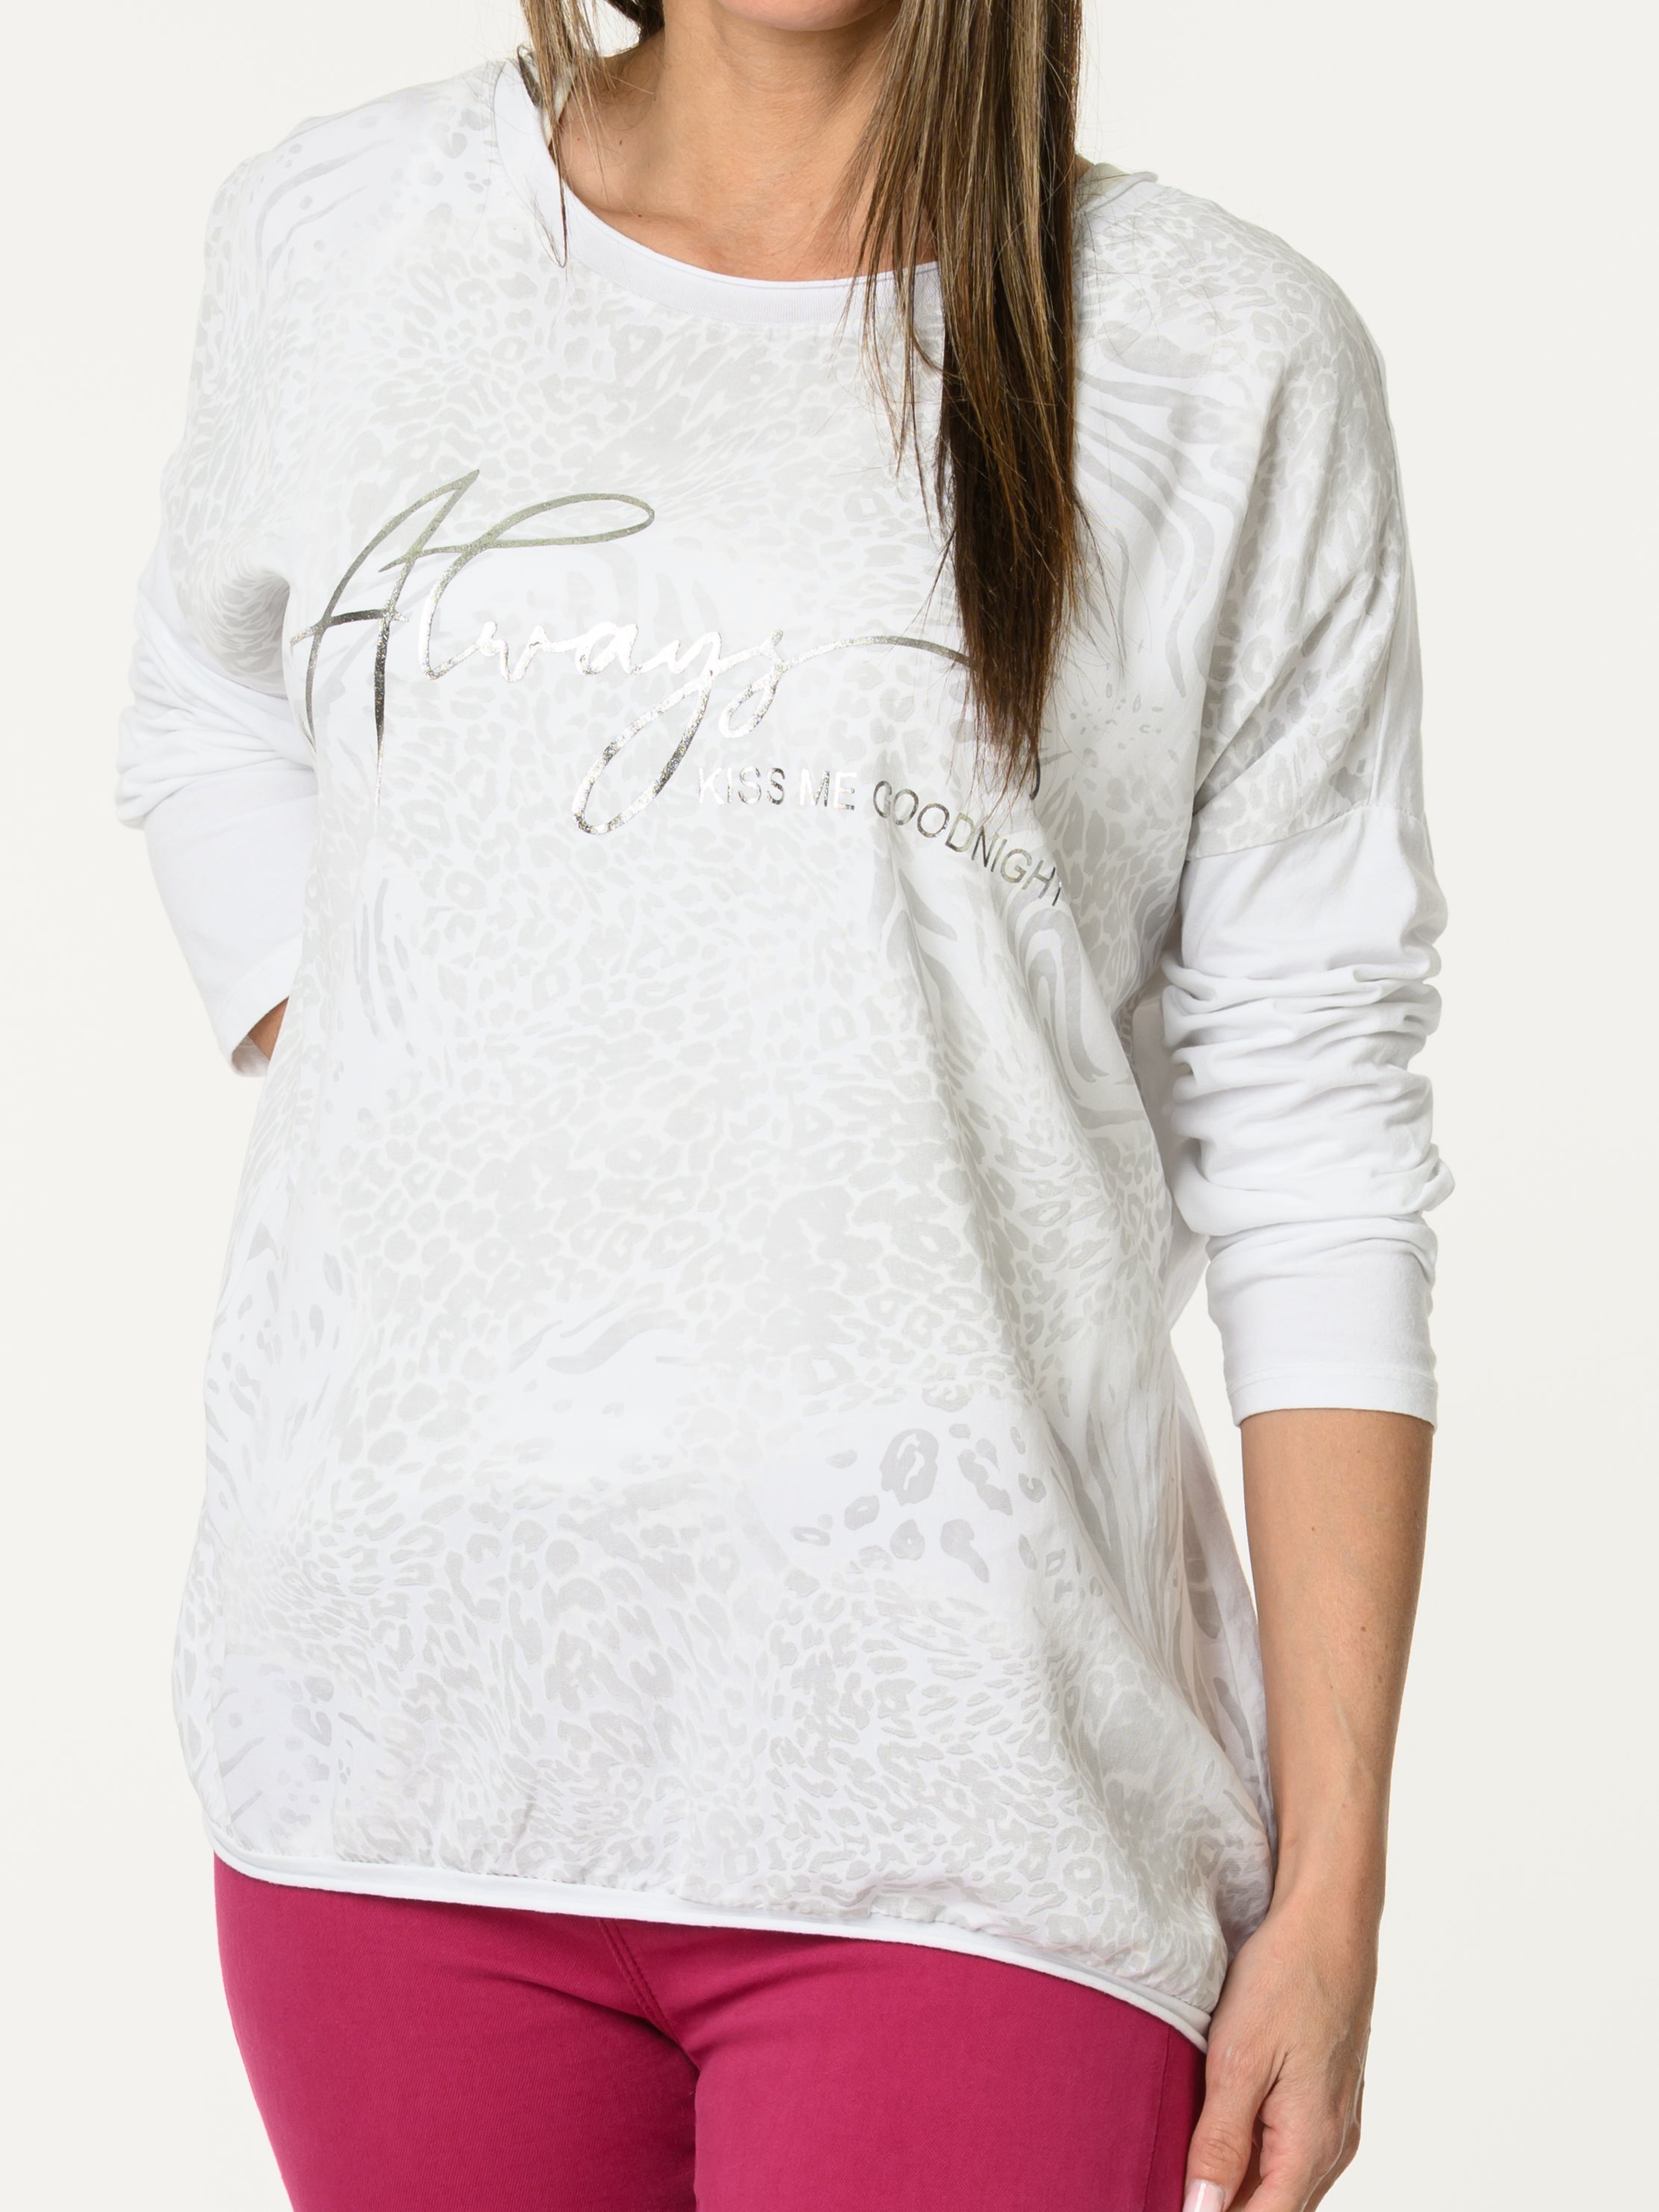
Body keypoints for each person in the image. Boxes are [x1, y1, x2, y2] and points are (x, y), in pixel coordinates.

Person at [116, 2, 1449, 2206]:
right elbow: (205, 697)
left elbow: (1317, 1132)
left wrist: (1337, 1883)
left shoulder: (1226, 359)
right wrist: (378, 1048)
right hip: (397, 1741)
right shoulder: (345, 230)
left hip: (969, 1779)